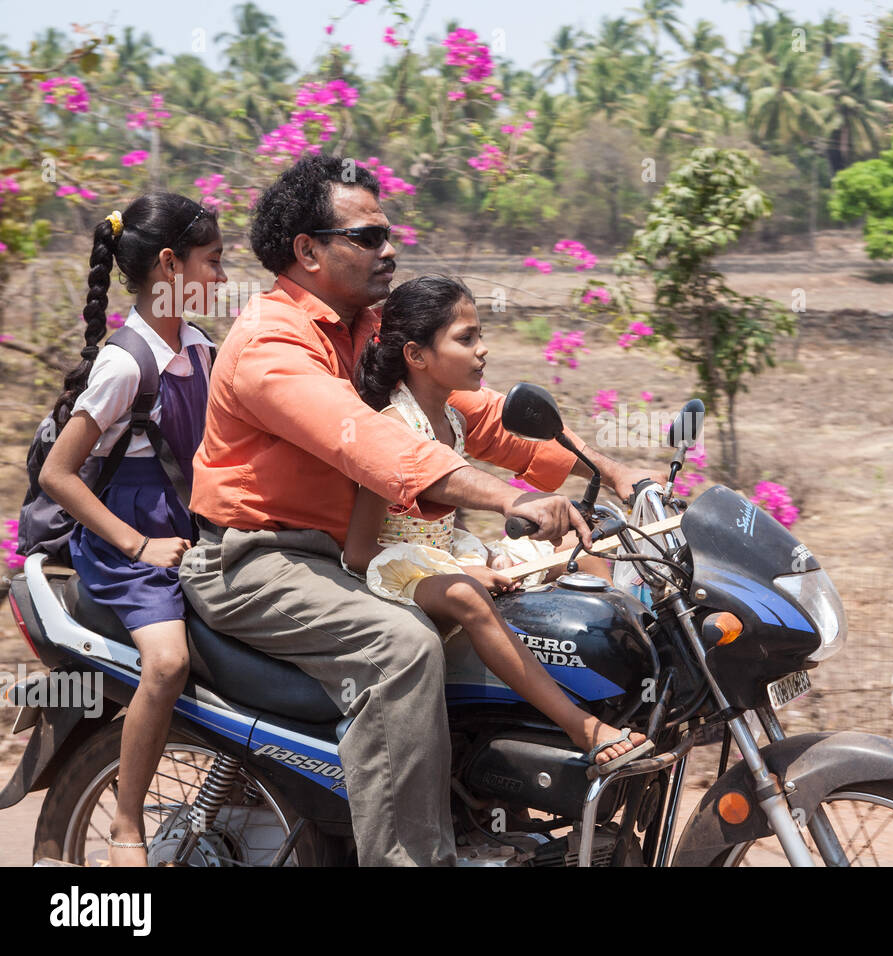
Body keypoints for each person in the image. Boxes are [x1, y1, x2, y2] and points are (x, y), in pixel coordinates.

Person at [178, 154, 661, 866]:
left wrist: (609, 470)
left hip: (339, 553)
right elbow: (372, 442)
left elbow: (481, 416)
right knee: (399, 646)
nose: (390, 248)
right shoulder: (269, 344)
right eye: (367, 236)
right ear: (308, 251)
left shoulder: (369, 327)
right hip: (262, 559)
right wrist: (508, 498)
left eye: (387, 231)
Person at [344, 274, 650, 774]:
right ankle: (582, 727)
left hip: (447, 554)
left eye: (479, 335)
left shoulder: (454, 420)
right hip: (397, 570)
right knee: (469, 597)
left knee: (585, 540)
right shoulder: (393, 428)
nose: (482, 350)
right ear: (417, 355)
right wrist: (464, 576)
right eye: (466, 339)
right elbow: (359, 552)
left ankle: (621, 682)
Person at [39, 194, 225, 866]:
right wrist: (136, 544)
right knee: (169, 662)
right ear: (170, 265)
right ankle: (125, 823)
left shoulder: (200, 347)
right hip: (128, 545)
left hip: (195, 530)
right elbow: (61, 475)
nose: (222, 278)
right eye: (213, 261)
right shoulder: (126, 364)